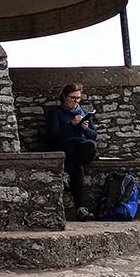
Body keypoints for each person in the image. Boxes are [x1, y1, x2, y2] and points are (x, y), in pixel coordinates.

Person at [47, 82, 98, 220]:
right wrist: (71, 125)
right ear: (64, 97)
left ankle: (66, 172)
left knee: (90, 146)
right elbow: (54, 136)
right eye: (73, 98)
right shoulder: (56, 113)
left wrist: (85, 129)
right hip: (67, 148)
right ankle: (81, 208)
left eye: (78, 98)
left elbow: (94, 135)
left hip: (83, 149)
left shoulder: (83, 112)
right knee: (77, 167)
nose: (76, 101)